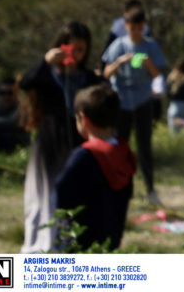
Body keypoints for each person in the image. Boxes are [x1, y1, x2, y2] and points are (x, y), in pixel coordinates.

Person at [20, 21, 101, 252]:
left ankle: (69, 244)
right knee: (43, 199)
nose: (74, 55)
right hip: (49, 145)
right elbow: (27, 82)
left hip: (78, 145)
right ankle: (40, 247)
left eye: (80, 50)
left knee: (72, 196)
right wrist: (45, 62)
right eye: (70, 49)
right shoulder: (48, 74)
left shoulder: (88, 78)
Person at [99, 4, 166, 204]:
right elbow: (105, 73)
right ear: (125, 25)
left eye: (139, 28)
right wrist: (119, 62)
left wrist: (147, 63)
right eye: (132, 28)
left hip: (143, 100)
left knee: (144, 146)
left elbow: (157, 75)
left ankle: (150, 189)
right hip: (121, 101)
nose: (136, 32)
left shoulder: (150, 46)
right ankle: (121, 186)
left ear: (143, 27)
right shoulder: (118, 45)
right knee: (121, 145)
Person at [53, 84, 133, 251]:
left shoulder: (84, 155)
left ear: (84, 119)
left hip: (79, 240)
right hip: (111, 239)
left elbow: (59, 195)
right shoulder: (124, 151)